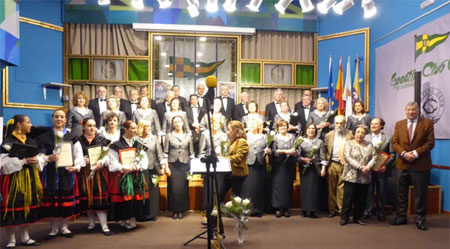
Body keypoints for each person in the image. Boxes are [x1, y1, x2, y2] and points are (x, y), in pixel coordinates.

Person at [37, 109, 85, 239]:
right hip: (50, 173)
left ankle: (64, 227)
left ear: (65, 120)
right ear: (52, 119)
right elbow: (39, 156)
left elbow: (78, 155)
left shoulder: (72, 137)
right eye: (56, 117)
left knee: (65, 200)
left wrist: (76, 166)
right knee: (51, 201)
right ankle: (53, 228)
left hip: (66, 173)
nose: (59, 119)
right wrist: (47, 158)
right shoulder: (43, 138)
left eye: (61, 117)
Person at [1, 115, 45, 248]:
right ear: (19, 125)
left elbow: (38, 158)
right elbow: (3, 164)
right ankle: (11, 240)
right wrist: (23, 161)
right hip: (14, 179)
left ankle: (25, 237)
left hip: (30, 177)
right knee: (14, 207)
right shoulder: (7, 143)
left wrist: (38, 161)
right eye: (28, 122)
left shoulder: (31, 141)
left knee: (27, 206)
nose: (31, 125)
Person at [391, 102, 435, 231]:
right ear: (405, 111)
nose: (411, 112)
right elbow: (395, 142)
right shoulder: (399, 124)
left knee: (420, 193)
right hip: (402, 163)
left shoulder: (427, 123)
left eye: (414, 110)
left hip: (420, 163)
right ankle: (401, 217)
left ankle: (420, 219)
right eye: (409, 110)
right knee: (401, 192)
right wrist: (404, 153)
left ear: (418, 110)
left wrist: (415, 153)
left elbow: (430, 143)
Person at [107, 120, 149, 230]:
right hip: (122, 175)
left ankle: (132, 219)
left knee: (134, 198)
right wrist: (123, 168)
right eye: (132, 128)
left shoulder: (139, 144)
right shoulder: (116, 145)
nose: (135, 130)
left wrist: (137, 167)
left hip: (135, 175)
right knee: (124, 198)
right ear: (125, 129)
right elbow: (113, 162)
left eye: (135, 128)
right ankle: (123, 219)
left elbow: (144, 160)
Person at [77, 118, 112, 236]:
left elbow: (107, 156)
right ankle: (91, 224)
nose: (92, 128)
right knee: (88, 198)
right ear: (84, 127)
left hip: (99, 172)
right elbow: (74, 157)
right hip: (84, 172)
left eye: (94, 125)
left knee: (100, 198)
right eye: (89, 125)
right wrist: (82, 160)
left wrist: (101, 162)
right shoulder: (78, 141)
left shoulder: (102, 140)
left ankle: (104, 226)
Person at [340, 125, 377, 226]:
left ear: (365, 134)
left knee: (361, 198)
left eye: (362, 133)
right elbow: (347, 157)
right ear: (354, 133)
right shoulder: (349, 143)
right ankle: (344, 218)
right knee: (348, 199)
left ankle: (358, 218)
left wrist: (368, 167)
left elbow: (374, 156)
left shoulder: (369, 145)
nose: (360, 134)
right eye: (358, 132)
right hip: (351, 175)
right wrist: (360, 167)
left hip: (365, 176)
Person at [363, 117, 396, 222]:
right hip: (368, 169)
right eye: (372, 124)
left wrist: (385, 165)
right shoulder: (366, 137)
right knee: (368, 192)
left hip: (382, 170)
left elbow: (392, 155)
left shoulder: (388, 138)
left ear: (381, 126)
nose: (373, 126)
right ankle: (367, 212)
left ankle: (381, 212)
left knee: (382, 192)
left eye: (376, 124)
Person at [164, 116, 194, 219]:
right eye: (175, 122)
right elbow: (165, 153)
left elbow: (191, 153)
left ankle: (181, 210)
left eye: (179, 121)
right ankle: (174, 211)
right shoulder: (168, 136)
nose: (177, 123)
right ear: (173, 124)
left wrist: (192, 169)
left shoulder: (188, 136)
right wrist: (166, 167)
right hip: (172, 164)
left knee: (183, 188)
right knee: (173, 188)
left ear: (183, 123)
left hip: (185, 164)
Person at [136, 119, 167, 221]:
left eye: (150, 127)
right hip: (140, 169)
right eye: (146, 127)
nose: (149, 129)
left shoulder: (154, 139)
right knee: (141, 191)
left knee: (153, 192)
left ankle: (152, 214)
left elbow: (159, 153)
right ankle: (141, 214)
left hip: (152, 168)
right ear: (141, 128)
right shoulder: (136, 139)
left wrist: (162, 165)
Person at [323, 115, 353, 218]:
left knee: (342, 188)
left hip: (345, 164)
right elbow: (325, 149)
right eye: (337, 123)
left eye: (341, 123)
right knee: (332, 188)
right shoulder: (328, 135)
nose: (339, 125)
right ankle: (332, 210)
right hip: (333, 163)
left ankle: (341, 210)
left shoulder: (350, 134)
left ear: (345, 123)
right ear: (334, 123)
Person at [269, 119, 298, 218]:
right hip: (278, 165)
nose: (283, 128)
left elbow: (297, 150)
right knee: (278, 186)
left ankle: (286, 208)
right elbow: (274, 151)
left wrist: (294, 152)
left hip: (289, 165)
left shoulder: (293, 137)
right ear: (277, 128)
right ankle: (277, 208)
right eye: (280, 126)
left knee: (288, 185)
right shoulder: (274, 138)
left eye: (284, 126)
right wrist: (286, 152)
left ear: (287, 127)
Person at [198, 117, 229, 207]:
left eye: (216, 124)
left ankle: (217, 206)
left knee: (219, 185)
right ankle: (207, 206)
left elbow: (226, 150)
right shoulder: (205, 134)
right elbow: (201, 151)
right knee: (209, 186)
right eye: (213, 124)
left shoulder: (224, 135)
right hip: (208, 163)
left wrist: (224, 156)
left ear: (220, 125)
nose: (214, 125)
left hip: (220, 163)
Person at [298, 123, 326, 218]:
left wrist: (323, 169)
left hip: (315, 168)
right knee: (305, 189)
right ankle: (305, 210)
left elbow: (323, 156)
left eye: (313, 128)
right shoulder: (300, 141)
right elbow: (297, 155)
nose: (311, 130)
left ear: (315, 131)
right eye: (309, 128)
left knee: (314, 190)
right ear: (306, 130)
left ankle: (313, 210)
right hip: (304, 168)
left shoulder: (319, 142)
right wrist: (303, 159)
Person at [241, 118, 266, 217]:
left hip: (260, 164)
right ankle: (247, 209)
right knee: (248, 187)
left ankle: (258, 209)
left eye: (254, 123)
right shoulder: (244, 136)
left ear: (258, 125)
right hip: (248, 163)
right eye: (250, 123)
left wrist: (268, 151)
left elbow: (268, 148)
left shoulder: (264, 136)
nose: (252, 125)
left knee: (258, 187)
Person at [226, 120, 249, 197]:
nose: (227, 132)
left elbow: (239, 157)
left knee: (237, 196)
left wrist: (225, 159)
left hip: (238, 174)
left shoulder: (242, 142)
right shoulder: (232, 142)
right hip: (230, 173)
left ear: (235, 130)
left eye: (229, 129)